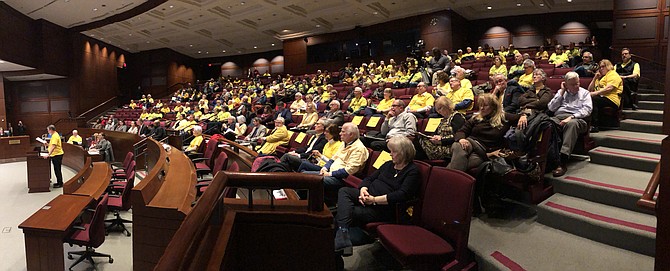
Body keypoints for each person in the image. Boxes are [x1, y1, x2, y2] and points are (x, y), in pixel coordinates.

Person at [334, 136, 420, 255]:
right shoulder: (388, 165)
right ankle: (343, 233)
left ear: (404, 153)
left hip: (382, 208)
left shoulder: (412, 171)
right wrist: (363, 190)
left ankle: (342, 235)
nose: (390, 154)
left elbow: (402, 195)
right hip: (368, 196)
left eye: (393, 152)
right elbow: (369, 178)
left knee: (346, 211)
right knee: (344, 191)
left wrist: (373, 200)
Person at [447, 94, 521, 172]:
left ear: (493, 107)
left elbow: (523, 116)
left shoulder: (504, 117)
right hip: (471, 144)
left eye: (485, 105)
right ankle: (453, 182)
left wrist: (523, 116)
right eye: (480, 105)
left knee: (461, 163)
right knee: (458, 146)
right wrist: (461, 139)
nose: (482, 108)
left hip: (484, 152)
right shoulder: (476, 118)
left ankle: (445, 181)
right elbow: (462, 131)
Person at [548, 72, 593, 177]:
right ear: (566, 84)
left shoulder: (585, 93)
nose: (576, 86)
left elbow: (587, 110)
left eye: (577, 83)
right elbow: (551, 108)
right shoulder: (561, 92)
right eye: (573, 84)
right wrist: (562, 91)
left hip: (578, 119)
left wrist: (572, 117)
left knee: (571, 124)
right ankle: (548, 156)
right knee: (546, 123)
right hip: (559, 117)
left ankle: (563, 161)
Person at [304, 123, 369, 191]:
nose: (340, 133)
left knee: (307, 179)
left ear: (351, 134)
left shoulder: (359, 149)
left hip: (341, 179)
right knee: (303, 174)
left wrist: (329, 174)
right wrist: (325, 168)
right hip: (330, 173)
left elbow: (349, 170)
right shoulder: (344, 143)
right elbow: (333, 159)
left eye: (343, 131)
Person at [588, 59, 623, 132]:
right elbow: (589, 90)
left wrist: (595, 93)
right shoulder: (601, 77)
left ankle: (595, 125)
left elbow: (609, 88)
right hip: (602, 98)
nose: (601, 69)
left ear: (608, 66)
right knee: (589, 99)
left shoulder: (613, 74)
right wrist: (595, 78)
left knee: (594, 99)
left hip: (612, 99)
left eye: (603, 67)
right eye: (600, 67)